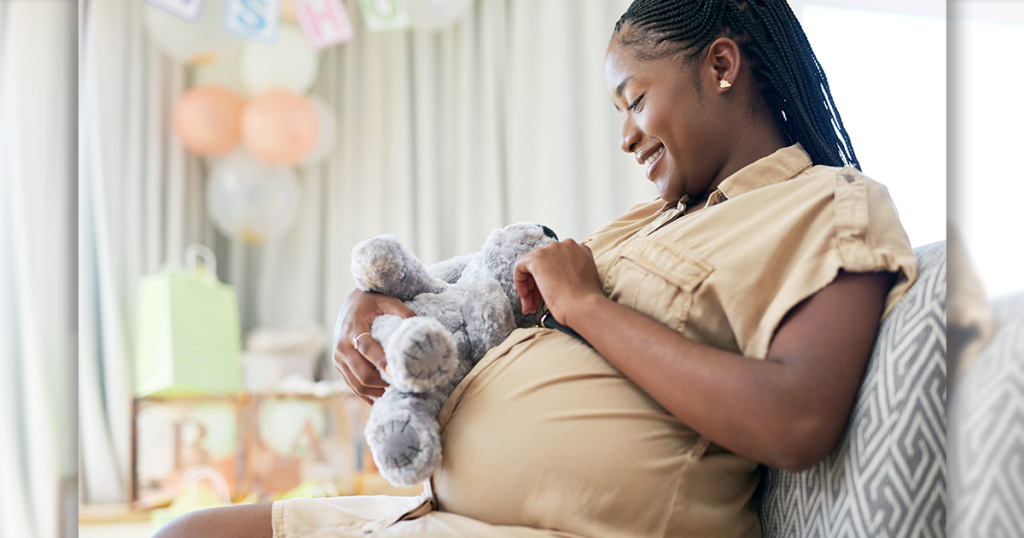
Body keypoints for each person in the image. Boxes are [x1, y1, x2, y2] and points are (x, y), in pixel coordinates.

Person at [154, 1, 916, 536]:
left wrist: (588, 307)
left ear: (721, 65)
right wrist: (371, 303)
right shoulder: (651, 221)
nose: (626, 138)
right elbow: (473, 293)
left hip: (559, 529)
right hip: (450, 512)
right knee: (186, 532)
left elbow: (798, 418)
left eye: (633, 100)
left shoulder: (827, 206)